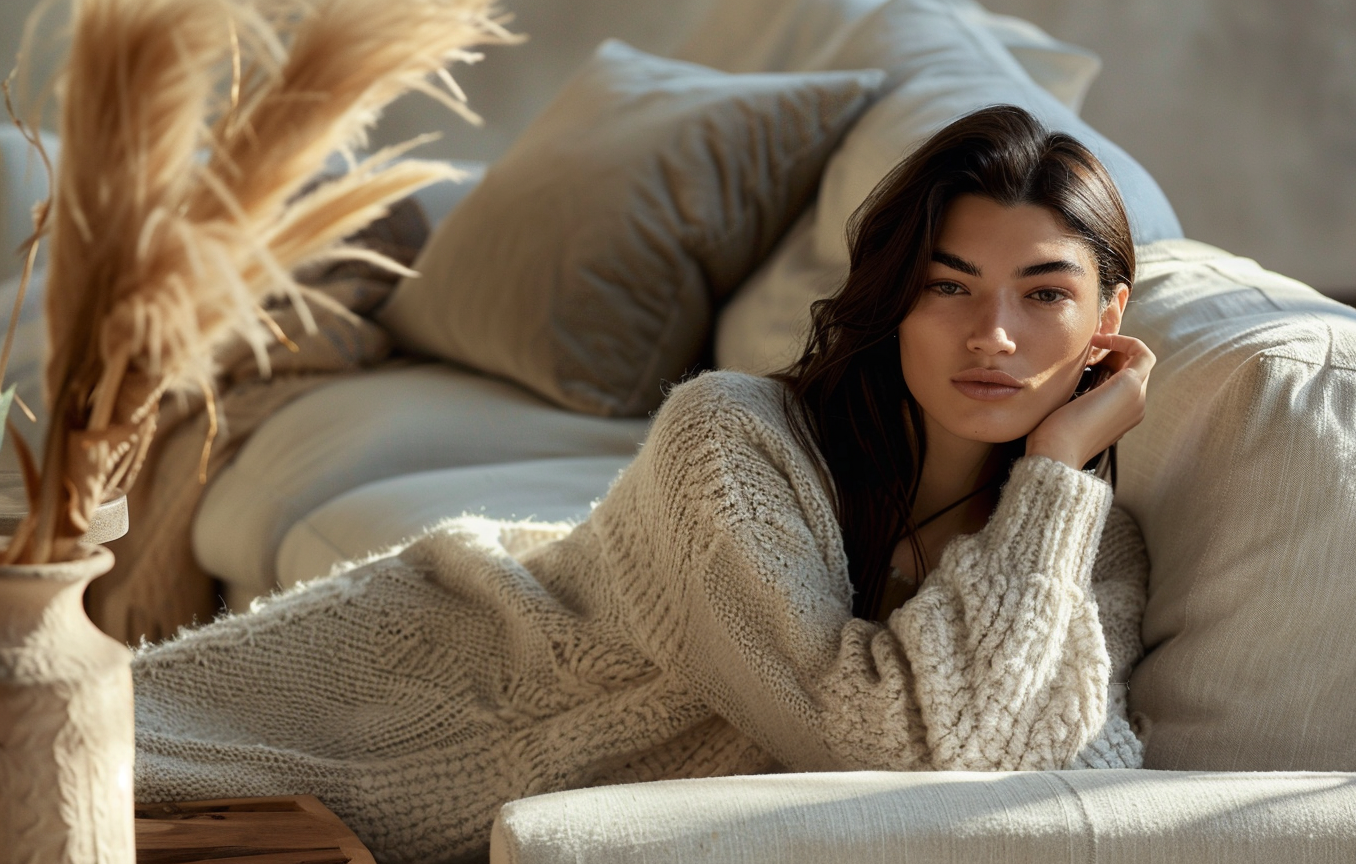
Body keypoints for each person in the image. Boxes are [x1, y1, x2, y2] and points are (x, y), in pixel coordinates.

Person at [133, 105, 1154, 864]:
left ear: (1108, 315)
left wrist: (1051, 488)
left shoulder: (1083, 546)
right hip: (389, 693)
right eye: (947, 286)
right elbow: (881, 742)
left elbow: (1085, 776)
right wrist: (1054, 472)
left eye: (1044, 293)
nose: (993, 336)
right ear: (895, 299)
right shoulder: (731, 438)